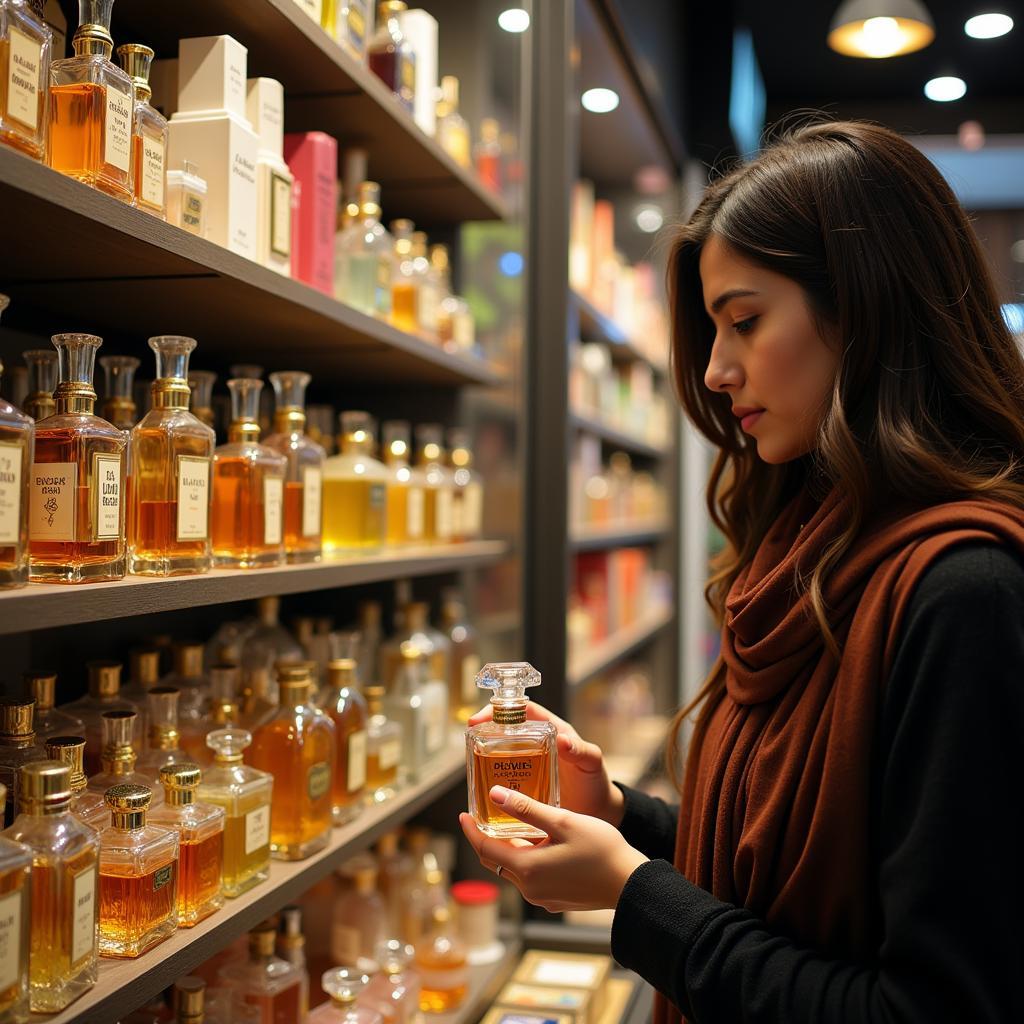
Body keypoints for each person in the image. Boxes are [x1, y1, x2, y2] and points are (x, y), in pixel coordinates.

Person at [460, 119, 1024, 1022]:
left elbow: (934, 1007)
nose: (718, 371)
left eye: (746, 322)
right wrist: (621, 819)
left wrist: (638, 894)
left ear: (867, 308)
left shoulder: (965, 597)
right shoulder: (807, 547)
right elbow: (786, 872)